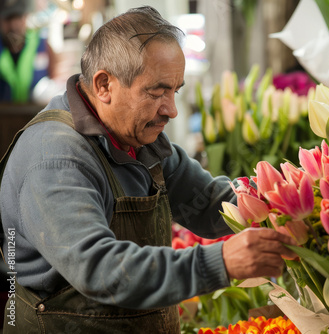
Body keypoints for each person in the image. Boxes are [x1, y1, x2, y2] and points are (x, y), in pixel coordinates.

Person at [0, 6, 296, 333]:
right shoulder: (55, 157)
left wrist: (292, 197)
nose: (171, 110)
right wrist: (221, 262)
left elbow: (213, 204)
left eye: (175, 91)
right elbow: (101, 269)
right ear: (104, 85)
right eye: (157, 92)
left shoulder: (140, 139)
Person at [0, 0, 56, 103]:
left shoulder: (42, 44)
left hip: (36, 114)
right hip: (4, 116)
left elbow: (55, 76)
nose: (13, 25)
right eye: (8, 19)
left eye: (18, 17)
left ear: (25, 17)